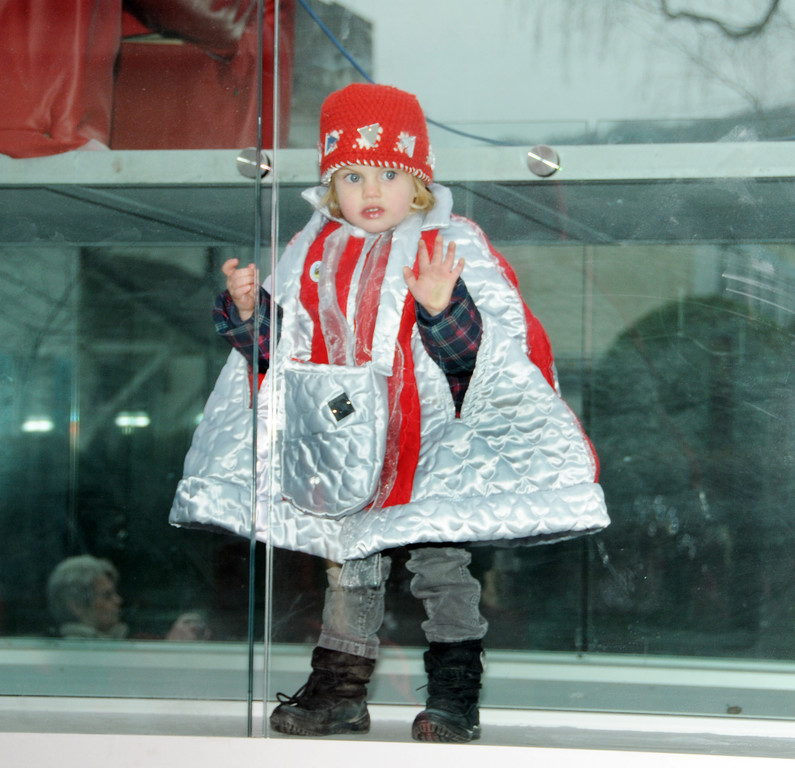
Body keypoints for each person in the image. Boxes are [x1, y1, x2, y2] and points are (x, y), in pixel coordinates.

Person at [170, 83, 609, 742]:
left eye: (387, 172)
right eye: (350, 175)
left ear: (419, 182)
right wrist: (248, 316)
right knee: (347, 563)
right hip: (344, 438)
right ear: (329, 186)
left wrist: (441, 306)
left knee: (440, 565)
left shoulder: (449, 243)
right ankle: (340, 687)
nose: (368, 189)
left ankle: (454, 692)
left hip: (426, 436)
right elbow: (280, 356)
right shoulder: (311, 251)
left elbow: (483, 355)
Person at [46, 554, 209, 641]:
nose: (118, 601)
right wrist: (171, 650)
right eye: (107, 596)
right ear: (76, 606)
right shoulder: (66, 653)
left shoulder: (124, 640)